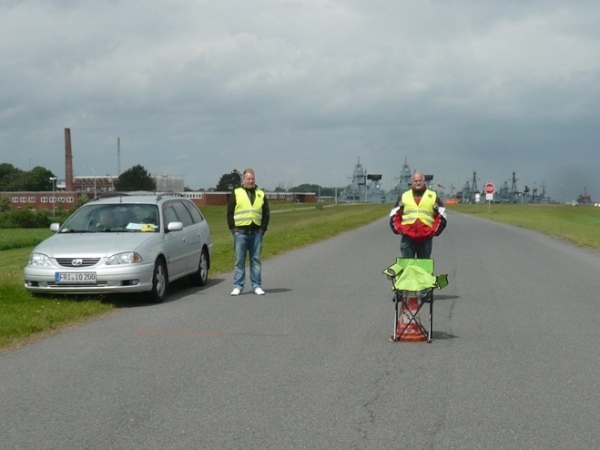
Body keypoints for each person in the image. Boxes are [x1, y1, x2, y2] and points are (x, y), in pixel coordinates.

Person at [227, 168, 270, 296]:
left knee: (255, 260)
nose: (251, 181)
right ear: (243, 180)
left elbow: (266, 213)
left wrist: (262, 230)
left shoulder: (260, 194)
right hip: (240, 233)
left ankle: (256, 285)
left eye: (252, 179)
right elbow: (229, 213)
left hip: (256, 233)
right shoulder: (236, 192)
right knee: (239, 261)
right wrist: (233, 230)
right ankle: (238, 286)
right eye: (248, 179)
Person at [389, 171, 447, 259]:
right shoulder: (404, 196)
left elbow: (442, 216)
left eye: (420, 180)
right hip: (408, 238)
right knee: (408, 265)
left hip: (425, 238)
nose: (418, 183)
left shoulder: (433, 196)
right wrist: (400, 230)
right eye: (415, 181)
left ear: (424, 182)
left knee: (424, 266)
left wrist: (433, 232)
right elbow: (394, 215)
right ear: (412, 182)